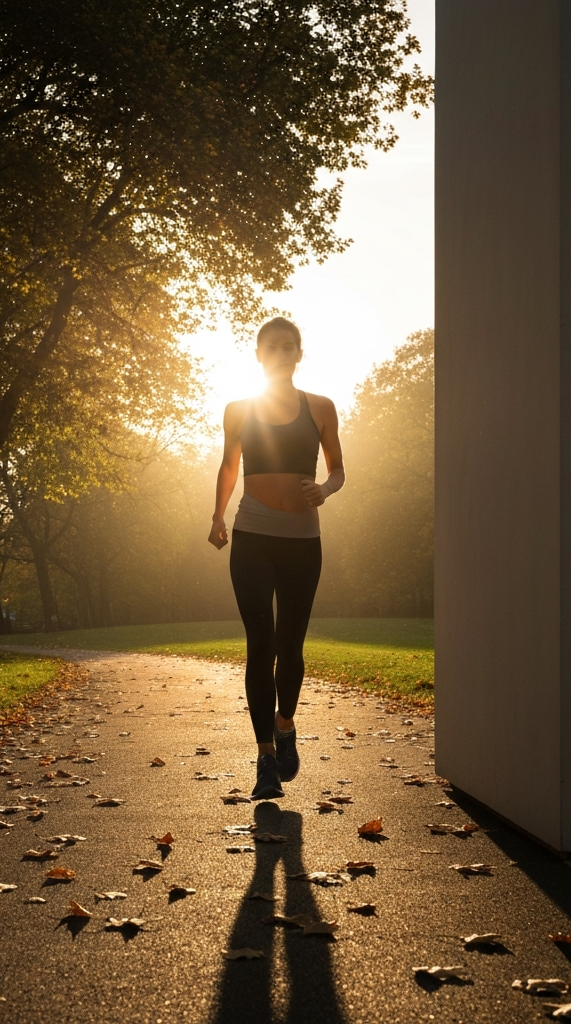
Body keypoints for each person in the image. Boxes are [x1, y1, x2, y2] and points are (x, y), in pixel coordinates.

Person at [208, 317, 345, 799]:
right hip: (253, 534)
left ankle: (285, 724)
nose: (282, 351)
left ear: (299, 354)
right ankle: (266, 758)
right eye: (273, 345)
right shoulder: (238, 409)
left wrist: (325, 489)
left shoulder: (322, 407)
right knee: (259, 646)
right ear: (260, 355)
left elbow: (339, 469)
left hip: (303, 539)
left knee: (291, 647)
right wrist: (217, 516)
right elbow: (229, 466)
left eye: (290, 345)